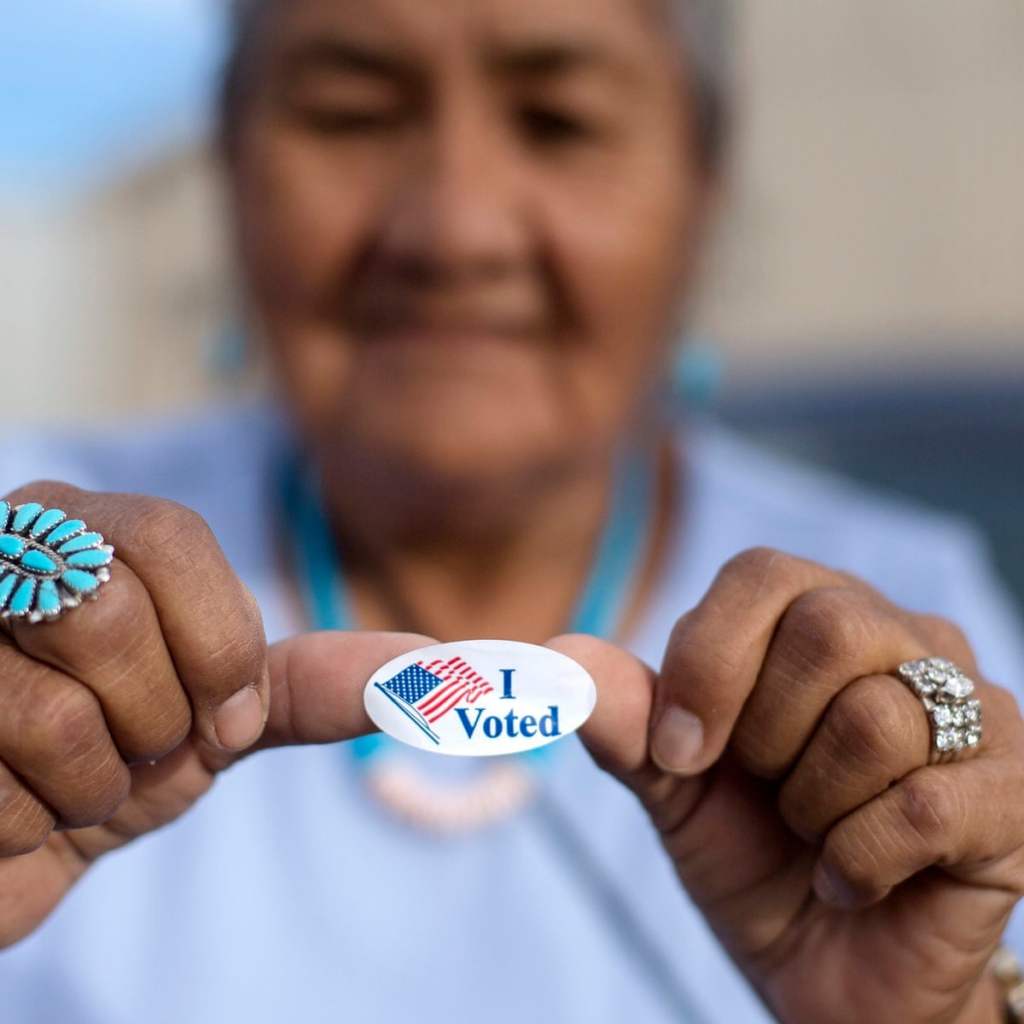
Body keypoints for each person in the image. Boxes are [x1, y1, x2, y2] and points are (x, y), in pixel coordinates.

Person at [2, 1, 1024, 1021]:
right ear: (229, 169)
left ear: (699, 186)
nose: (454, 227)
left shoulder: (902, 612)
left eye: (557, 121)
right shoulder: (39, 570)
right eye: (351, 113)